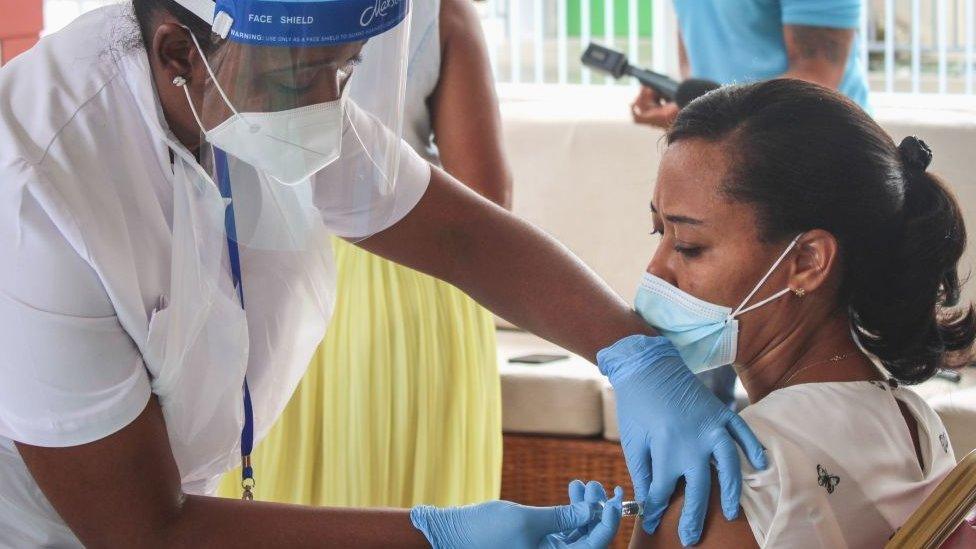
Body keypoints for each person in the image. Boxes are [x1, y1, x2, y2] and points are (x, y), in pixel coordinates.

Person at [0, 0, 767, 546]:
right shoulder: (40, 195)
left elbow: (464, 233)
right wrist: (436, 534)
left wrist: (632, 352)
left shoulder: (253, 82)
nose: (331, 103)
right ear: (177, 53)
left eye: (351, 68)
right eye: (309, 75)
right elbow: (144, 530)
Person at [621, 78, 975, 547]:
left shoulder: (729, 480)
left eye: (689, 245)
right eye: (657, 233)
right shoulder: (913, 420)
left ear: (807, 262)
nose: (655, 270)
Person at [217, 0, 511, 508]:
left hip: (276, 273)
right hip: (413, 283)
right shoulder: (440, 13)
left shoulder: (236, 11)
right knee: (418, 512)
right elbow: (487, 200)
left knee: (276, 504)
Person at [631, 0, 871, 129]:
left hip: (818, 143)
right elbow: (695, 41)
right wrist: (689, 106)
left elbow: (817, 76)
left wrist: (712, 113)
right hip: (730, 142)